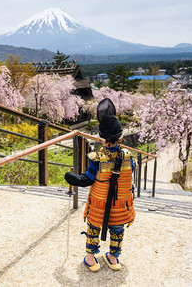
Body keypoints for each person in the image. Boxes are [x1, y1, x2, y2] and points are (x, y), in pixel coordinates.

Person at [65, 98, 135, 272]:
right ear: (121, 137)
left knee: (93, 228)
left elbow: (87, 179)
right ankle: (113, 258)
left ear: (100, 139)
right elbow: (128, 175)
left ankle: (90, 259)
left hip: (99, 204)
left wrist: (71, 177)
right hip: (121, 204)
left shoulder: (96, 158)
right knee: (117, 230)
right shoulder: (129, 157)